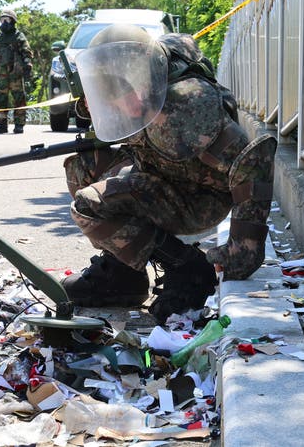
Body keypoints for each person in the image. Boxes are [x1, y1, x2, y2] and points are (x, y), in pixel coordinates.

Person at [61, 25, 277, 324]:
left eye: (128, 89)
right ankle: (124, 275)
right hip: (164, 171)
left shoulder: (184, 110)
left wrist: (244, 248)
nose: (127, 101)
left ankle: (188, 269)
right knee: (82, 168)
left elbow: (254, 159)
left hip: (199, 197)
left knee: (89, 204)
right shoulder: (147, 83)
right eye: (114, 93)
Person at [0, 9, 33, 134]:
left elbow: (27, 51)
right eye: (2, 20)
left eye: (6, 20)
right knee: (1, 98)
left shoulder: (19, 36)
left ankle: (19, 124)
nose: (3, 23)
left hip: (15, 72)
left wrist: (28, 65)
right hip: (2, 73)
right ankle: (2, 124)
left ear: (13, 21)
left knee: (19, 98)